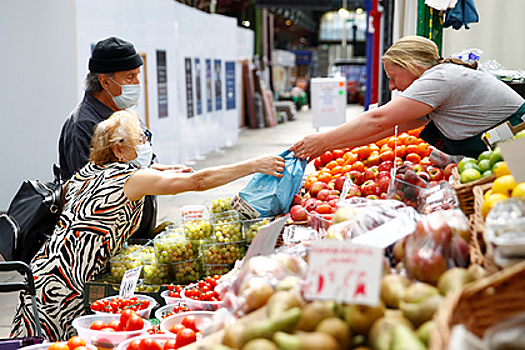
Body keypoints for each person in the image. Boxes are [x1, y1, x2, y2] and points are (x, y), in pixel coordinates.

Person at [11, 110, 285, 341]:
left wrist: (164, 170)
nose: (146, 146)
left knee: (32, 338)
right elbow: (198, 182)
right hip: (68, 281)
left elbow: (136, 176)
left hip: (43, 271)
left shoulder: (86, 173)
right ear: (119, 150)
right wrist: (253, 164)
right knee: (58, 342)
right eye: (140, 141)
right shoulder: (128, 178)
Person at [291, 36, 525, 160]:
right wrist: (327, 147)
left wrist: (322, 140)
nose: (392, 86)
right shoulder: (440, 80)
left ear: (412, 66)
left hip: (518, 150)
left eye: (393, 77)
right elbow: (387, 130)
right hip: (507, 153)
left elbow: (378, 119)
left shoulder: (439, 79)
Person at [58, 36, 188, 239]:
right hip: (105, 242)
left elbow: (139, 163)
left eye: (138, 75)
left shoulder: (124, 115)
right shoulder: (83, 125)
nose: (137, 83)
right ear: (104, 81)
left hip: (134, 236)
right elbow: (90, 191)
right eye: (130, 77)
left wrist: (165, 170)